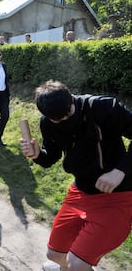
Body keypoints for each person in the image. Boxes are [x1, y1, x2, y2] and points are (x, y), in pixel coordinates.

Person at [20, 80, 132, 271]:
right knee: (54, 254)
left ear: (71, 98)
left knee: (77, 264)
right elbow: (51, 157)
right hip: (80, 191)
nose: (64, 121)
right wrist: (38, 155)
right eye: (58, 120)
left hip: (117, 195)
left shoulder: (103, 107)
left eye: (68, 115)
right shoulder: (48, 121)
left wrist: (119, 171)